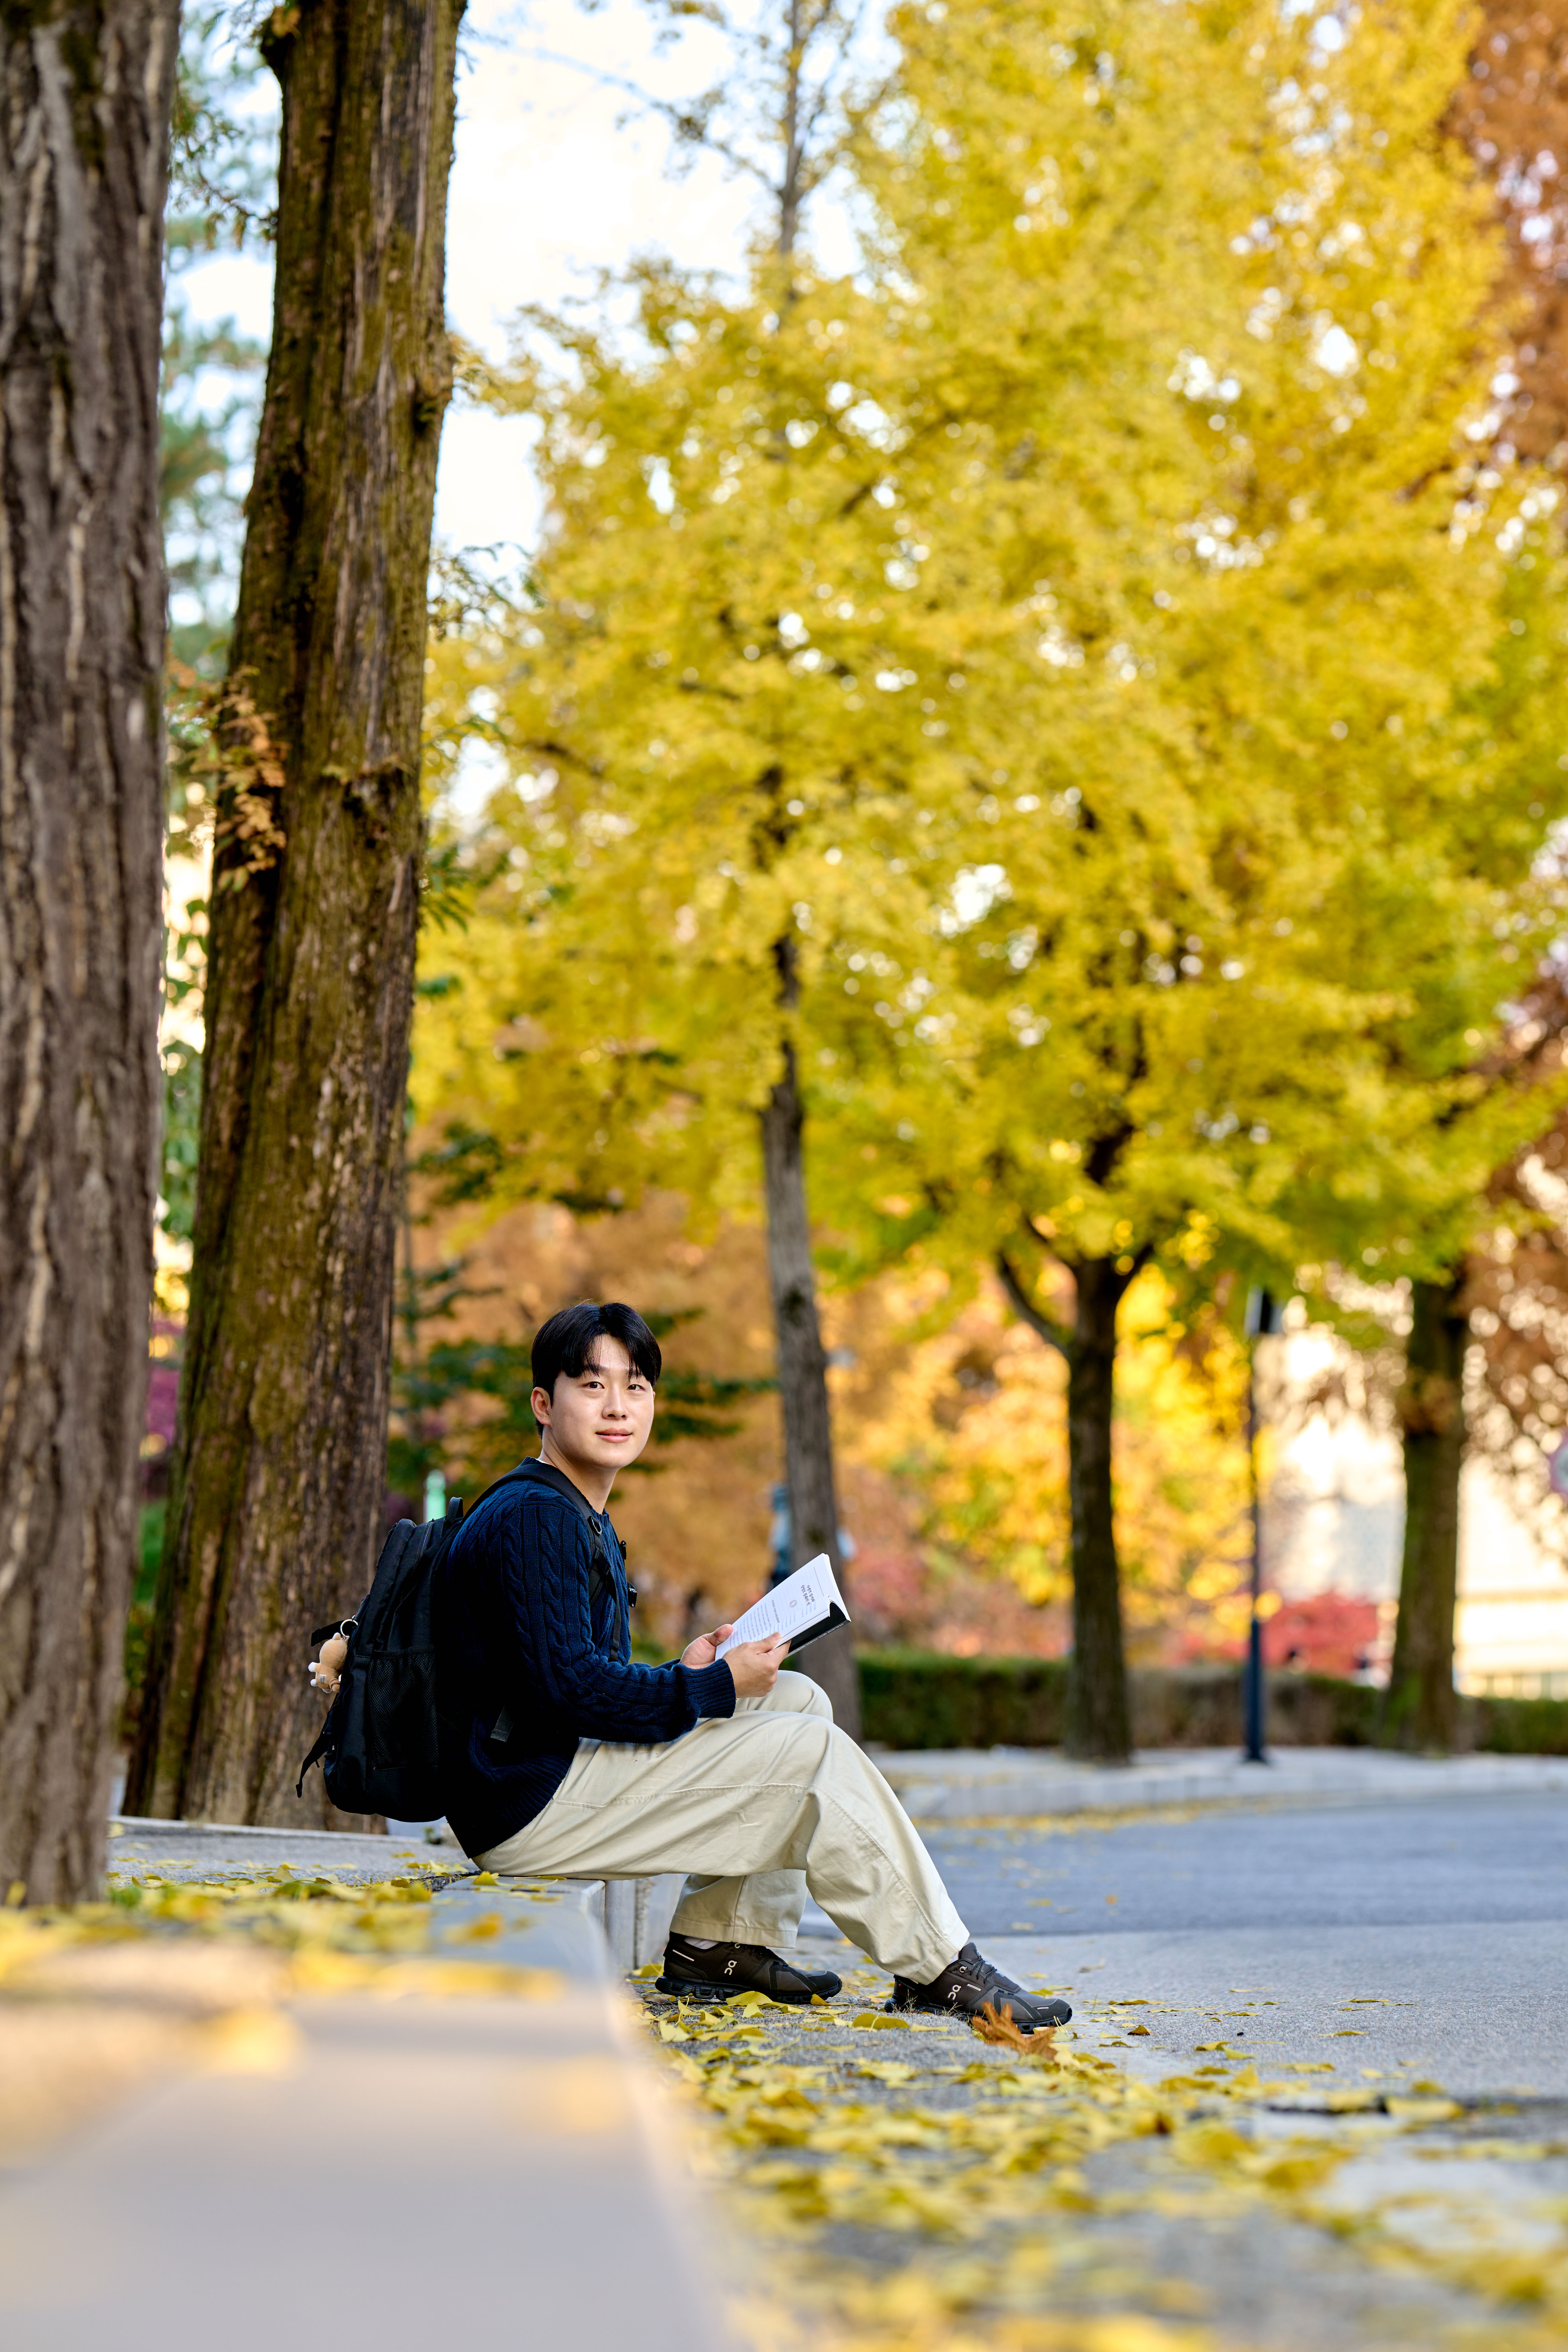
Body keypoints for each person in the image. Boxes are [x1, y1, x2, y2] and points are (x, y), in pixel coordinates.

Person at [436, 1298, 1071, 2034]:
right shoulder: (538, 1517)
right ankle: (943, 1968)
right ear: (544, 1405)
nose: (617, 1407)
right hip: (527, 1805)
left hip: (547, 1775)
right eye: (592, 1385)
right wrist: (708, 1686)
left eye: (635, 1386)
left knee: (792, 1701)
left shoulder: (569, 1509)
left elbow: (559, 1676)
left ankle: (720, 1944)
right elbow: (572, 1691)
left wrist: (690, 1672)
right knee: (810, 1753)